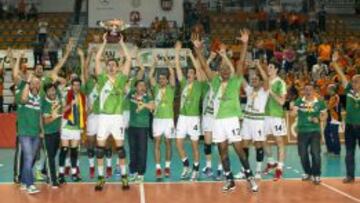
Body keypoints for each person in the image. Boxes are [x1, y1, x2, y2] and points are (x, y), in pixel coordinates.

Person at [194, 30, 258, 192]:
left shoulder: (235, 81)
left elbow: (241, 61)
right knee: (222, 151)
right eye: (222, 69)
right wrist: (198, 49)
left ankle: (250, 177)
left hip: (231, 121)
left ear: (230, 72)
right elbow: (203, 65)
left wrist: (244, 43)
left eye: (226, 69)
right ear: (219, 72)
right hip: (217, 122)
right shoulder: (214, 81)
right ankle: (230, 180)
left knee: (239, 150)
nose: (224, 70)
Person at [94, 33, 131, 191]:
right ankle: (101, 178)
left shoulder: (122, 79)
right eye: (108, 64)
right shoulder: (102, 79)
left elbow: (128, 60)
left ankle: (124, 178)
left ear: (117, 67)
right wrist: (103, 43)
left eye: (113, 65)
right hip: (103, 118)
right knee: (100, 150)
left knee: (121, 150)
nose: (110, 66)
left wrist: (122, 43)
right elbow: (96, 60)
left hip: (117, 118)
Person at [174, 41, 206, 181]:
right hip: (182, 117)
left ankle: (196, 169)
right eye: (188, 72)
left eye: (191, 73)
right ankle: (186, 166)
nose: (189, 74)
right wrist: (177, 52)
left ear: (195, 75)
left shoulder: (199, 85)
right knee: (178, 143)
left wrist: (192, 57)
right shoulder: (183, 84)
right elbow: (177, 67)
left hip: (193, 118)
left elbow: (199, 69)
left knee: (194, 146)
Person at [291, 83, 327, 185]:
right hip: (302, 132)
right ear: (303, 91)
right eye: (306, 90)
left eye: (310, 90)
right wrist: (292, 111)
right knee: (302, 154)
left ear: (314, 91)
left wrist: (319, 118)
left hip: (315, 131)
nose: (308, 92)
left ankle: (316, 175)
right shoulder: (299, 101)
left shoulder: (320, 102)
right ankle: (308, 172)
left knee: (315, 153)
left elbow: (325, 115)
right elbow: (293, 113)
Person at [332, 53, 360, 184]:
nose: (353, 82)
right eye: (353, 81)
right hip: (349, 126)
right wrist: (335, 63)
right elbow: (342, 76)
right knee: (349, 152)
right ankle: (350, 176)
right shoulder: (349, 90)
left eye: (356, 81)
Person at [149, 53, 176, 180]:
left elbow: (173, 73)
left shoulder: (171, 88)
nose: (161, 80)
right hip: (157, 120)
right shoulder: (155, 88)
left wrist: (166, 61)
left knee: (168, 143)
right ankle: (158, 168)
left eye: (163, 79)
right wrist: (154, 64)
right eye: (160, 79)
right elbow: (150, 76)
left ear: (167, 80)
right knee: (157, 143)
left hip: (169, 120)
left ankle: (167, 167)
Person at [240, 59, 269, 179]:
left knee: (258, 144)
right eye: (252, 79)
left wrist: (258, 66)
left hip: (257, 121)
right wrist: (246, 67)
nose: (253, 81)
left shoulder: (264, 90)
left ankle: (257, 171)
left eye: (256, 79)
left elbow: (266, 79)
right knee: (244, 145)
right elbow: (240, 77)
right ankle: (245, 171)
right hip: (247, 120)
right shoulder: (248, 90)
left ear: (260, 81)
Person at [15, 73, 42, 194]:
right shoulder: (21, 93)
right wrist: (27, 82)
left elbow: (39, 116)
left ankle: (24, 182)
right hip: (25, 133)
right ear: (29, 84)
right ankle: (30, 184)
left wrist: (42, 131)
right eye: (34, 82)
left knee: (30, 159)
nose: (37, 84)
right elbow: (24, 99)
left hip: (36, 134)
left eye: (38, 83)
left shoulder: (39, 98)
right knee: (29, 157)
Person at [58, 77, 86, 183]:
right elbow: (61, 110)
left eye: (78, 85)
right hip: (66, 125)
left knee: (74, 151)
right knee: (64, 150)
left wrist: (82, 126)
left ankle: (74, 174)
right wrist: (71, 104)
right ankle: (61, 174)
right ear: (71, 85)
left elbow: (83, 112)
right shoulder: (66, 94)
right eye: (74, 85)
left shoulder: (82, 96)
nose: (76, 87)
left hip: (76, 127)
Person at [263, 60, 288, 181]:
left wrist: (270, 92)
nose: (269, 69)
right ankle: (271, 162)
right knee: (262, 139)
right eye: (268, 67)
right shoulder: (265, 82)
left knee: (279, 142)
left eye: (271, 67)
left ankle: (280, 168)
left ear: (276, 69)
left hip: (276, 116)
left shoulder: (280, 83)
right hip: (264, 115)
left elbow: (282, 101)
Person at [128, 80, 154, 182]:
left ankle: (141, 173)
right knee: (132, 150)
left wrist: (143, 105)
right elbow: (127, 87)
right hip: (132, 127)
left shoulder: (148, 97)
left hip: (143, 127)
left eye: (144, 85)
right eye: (140, 85)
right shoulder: (131, 95)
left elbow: (153, 107)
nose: (142, 87)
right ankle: (133, 172)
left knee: (142, 151)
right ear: (136, 87)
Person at [41, 83, 62, 188]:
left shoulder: (58, 100)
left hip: (57, 132)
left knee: (52, 156)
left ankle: (45, 170)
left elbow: (61, 115)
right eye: (49, 91)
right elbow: (45, 122)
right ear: (46, 92)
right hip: (47, 134)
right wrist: (53, 117)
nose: (52, 92)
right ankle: (52, 180)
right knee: (50, 157)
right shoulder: (44, 103)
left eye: (53, 90)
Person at [324, 84, 341, 156]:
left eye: (328, 89)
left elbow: (329, 106)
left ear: (332, 90)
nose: (327, 90)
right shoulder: (331, 97)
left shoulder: (335, 97)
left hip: (335, 118)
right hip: (330, 118)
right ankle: (330, 149)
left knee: (334, 135)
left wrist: (324, 105)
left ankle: (337, 152)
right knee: (326, 132)